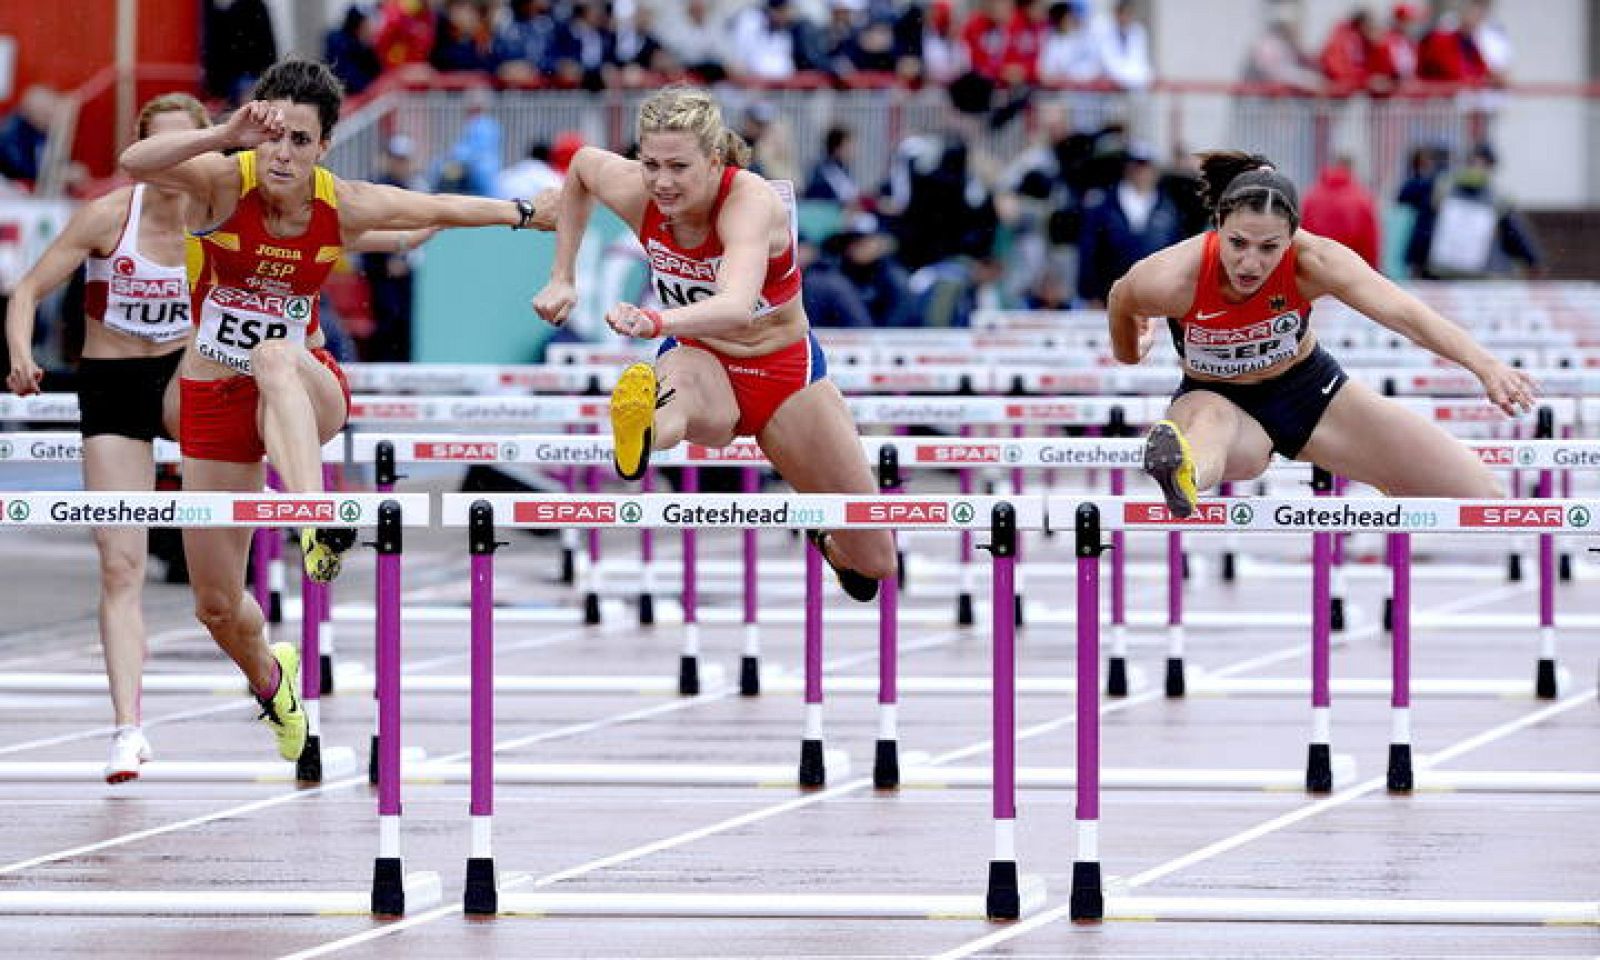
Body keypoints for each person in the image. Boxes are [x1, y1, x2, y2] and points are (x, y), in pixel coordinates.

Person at [118, 58, 557, 763]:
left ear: (324, 146)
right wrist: (223, 133)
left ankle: (314, 515)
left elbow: (440, 208)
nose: (282, 155)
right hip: (213, 399)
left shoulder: (344, 202)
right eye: (273, 138)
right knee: (217, 606)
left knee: (273, 356)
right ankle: (272, 680)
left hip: (304, 387)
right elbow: (134, 159)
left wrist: (530, 212)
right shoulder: (222, 184)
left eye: (300, 140)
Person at [531, 86, 895, 601]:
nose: (662, 182)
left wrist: (653, 320)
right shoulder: (636, 189)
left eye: (679, 167)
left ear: (714, 160)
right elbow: (584, 170)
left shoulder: (749, 202)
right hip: (701, 359)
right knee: (679, 385)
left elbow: (736, 305)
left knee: (877, 562)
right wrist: (562, 275)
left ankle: (831, 542)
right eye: (651, 164)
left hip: (784, 373)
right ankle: (644, 430)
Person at [1107, 151, 1536, 519]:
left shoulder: (1318, 261)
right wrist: (1131, 351)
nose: (1250, 264)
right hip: (1218, 400)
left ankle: (1385, 475)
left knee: (1484, 498)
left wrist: (1485, 364)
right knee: (1207, 430)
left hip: (1311, 393)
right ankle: (1183, 475)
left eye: (1269, 248)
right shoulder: (1170, 277)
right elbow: (1120, 297)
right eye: (1237, 244)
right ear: (1218, 224)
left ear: (1292, 236)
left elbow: (1405, 314)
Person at [3, 93, 210, 783]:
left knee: (220, 587)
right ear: (138, 155)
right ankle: (128, 729)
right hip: (116, 386)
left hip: (186, 376)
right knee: (121, 566)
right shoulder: (105, 218)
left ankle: (294, 511)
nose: (176, 165)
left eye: (190, 150)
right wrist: (21, 354)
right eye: (162, 152)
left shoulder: (221, 221)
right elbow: (27, 289)